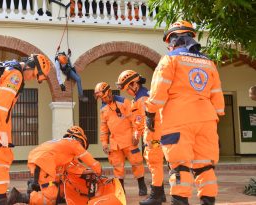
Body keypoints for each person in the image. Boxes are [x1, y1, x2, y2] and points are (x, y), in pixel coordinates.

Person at [145, 20, 225, 205]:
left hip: (178, 119)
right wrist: (214, 117)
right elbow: (218, 97)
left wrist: (150, 113)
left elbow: (158, 92)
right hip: (206, 119)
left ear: (173, 39)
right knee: (205, 166)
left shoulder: (170, 59)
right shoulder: (208, 62)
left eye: (169, 42)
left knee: (180, 166)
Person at [0, 54, 51, 205]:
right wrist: (3, 135)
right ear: (31, 66)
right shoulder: (15, 75)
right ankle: (1, 199)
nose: (32, 78)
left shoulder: (6, 68)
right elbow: (1, 106)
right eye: (34, 74)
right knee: (2, 163)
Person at [7, 125, 102, 205]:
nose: (82, 148)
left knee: (56, 183)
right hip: (44, 162)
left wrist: (86, 172)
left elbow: (72, 168)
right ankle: (20, 197)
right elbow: (89, 160)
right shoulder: (74, 143)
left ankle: (33, 185)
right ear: (79, 139)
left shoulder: (63, 145)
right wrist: (98, 170)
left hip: (36, 159)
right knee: (50, 199)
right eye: (83, 145)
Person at [116, 70, 166, 205]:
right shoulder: (140, 97)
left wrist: (147, 138)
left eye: (127, 89)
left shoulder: (143, 99)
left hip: (153, 136)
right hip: (152, 135)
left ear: (134, 84)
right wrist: (138, 134)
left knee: (154, 161)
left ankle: (156, 196)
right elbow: (139, 120)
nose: (127, 92)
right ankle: (160, 194)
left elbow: (148, 121)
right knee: (154, 163)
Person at [94, 82, 147, 196]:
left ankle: (142, 186)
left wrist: (136, 135)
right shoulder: (103, 109)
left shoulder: (124, 102)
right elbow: (104, 128)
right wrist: (104, 143)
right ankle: (121, 190)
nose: (103, 100)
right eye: (101, 98)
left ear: (109, 93)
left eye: (103, 97)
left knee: (137, 163)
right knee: (117, 167)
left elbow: (134, 120)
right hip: (115, 143)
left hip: (129, 140)